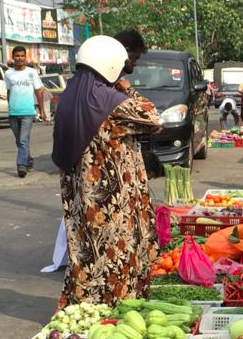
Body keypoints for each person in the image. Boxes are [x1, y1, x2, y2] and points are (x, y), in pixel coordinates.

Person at [52, 35, 162, 308]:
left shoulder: (69, 97)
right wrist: (126, 88)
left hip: (83, 199)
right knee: (117, 258)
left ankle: (87, 313)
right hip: (113, 200)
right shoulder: (110, 101)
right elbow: (153, 119)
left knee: (89, 259)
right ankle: (118, 314)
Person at [4, 46, 47, 178]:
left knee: (23, 140)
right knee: (19, 141)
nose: (20, 58)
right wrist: (9, 106)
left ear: (26, 57)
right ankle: (28, 160)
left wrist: (42, 110)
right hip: (13, 113)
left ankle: (21, 166)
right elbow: (9, 91)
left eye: (22, 56)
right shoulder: (8, 74)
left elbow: (38, 91)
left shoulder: (32, 72)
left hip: (28, 112)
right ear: (13, 57)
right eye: (17, 56)